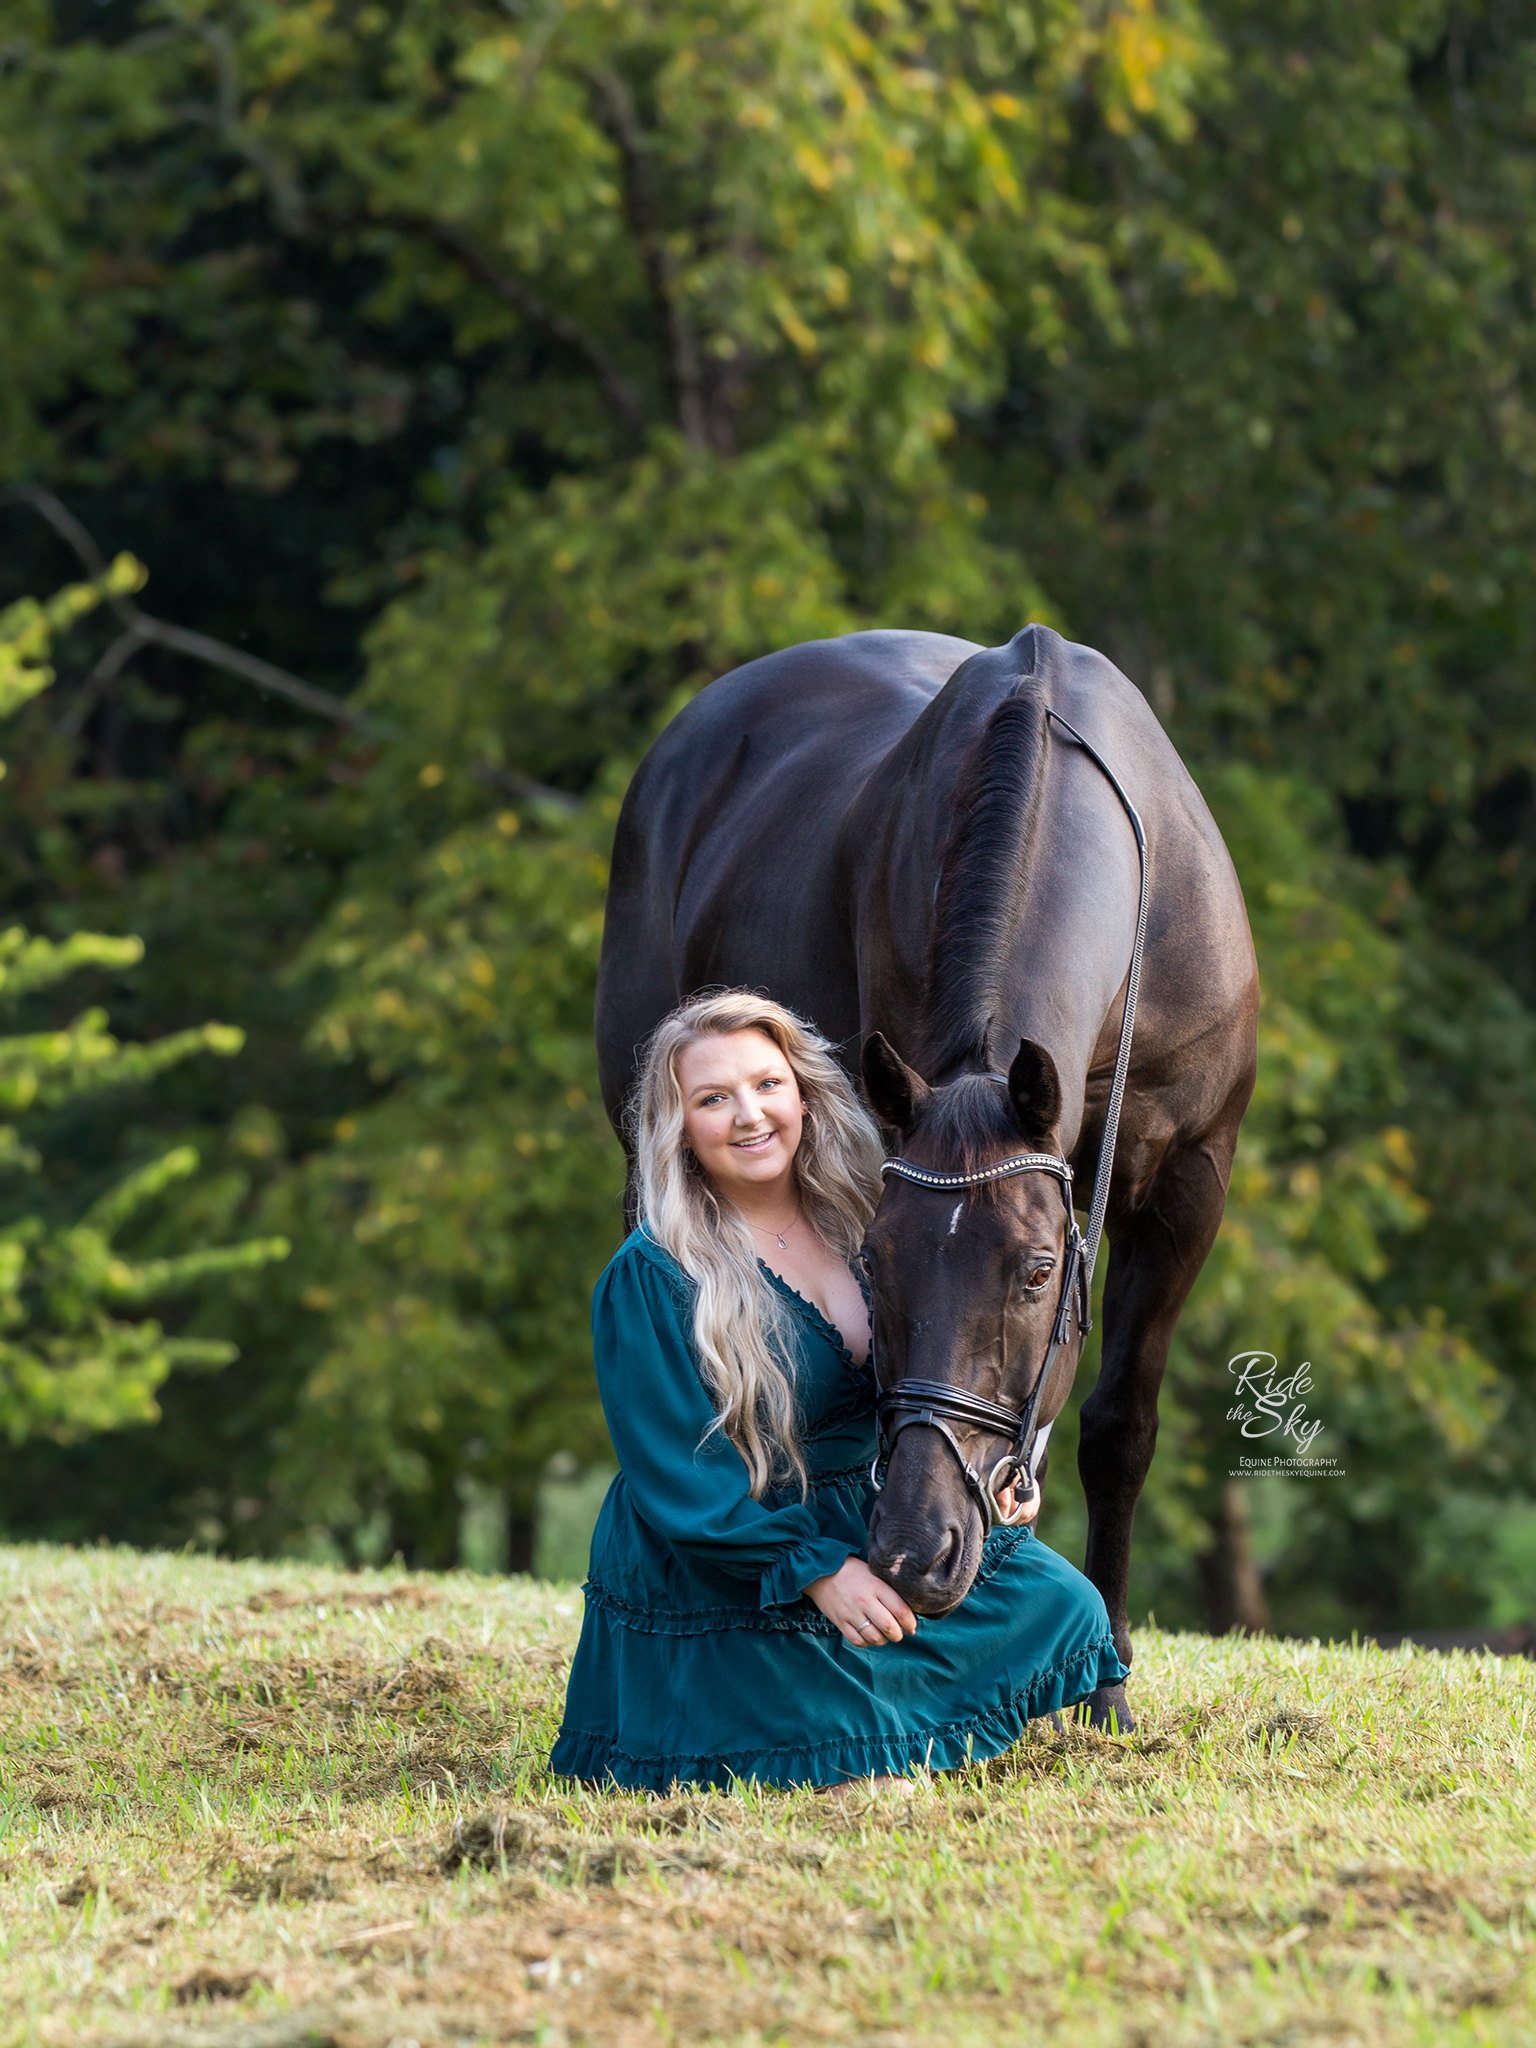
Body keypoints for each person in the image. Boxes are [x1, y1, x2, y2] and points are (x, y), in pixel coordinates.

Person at [549, 990, 1126, 1793]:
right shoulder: (653, 1274)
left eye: (766, 1085)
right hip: (733, 1548)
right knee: (837, 1734)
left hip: (865, 1517)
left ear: (804, 1094)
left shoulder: (874, 1225)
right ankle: (823, 1717)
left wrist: (987, 1472)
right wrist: (819, 1571)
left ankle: (881, 1706)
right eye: (714, 1099)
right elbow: (683, 1485)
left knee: (1067, 1605)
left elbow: (937, 1383)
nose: (749, 1115)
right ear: (678, 1127)